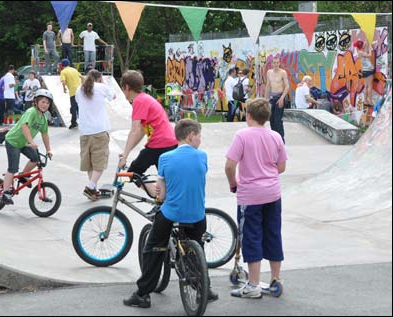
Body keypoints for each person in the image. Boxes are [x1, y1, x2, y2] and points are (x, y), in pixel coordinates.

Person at [123, 119, 218, 309]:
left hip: (172, 213)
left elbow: (162, 193)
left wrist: (159, 194)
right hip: (197, 215)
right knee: (197, 247)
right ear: (191, 135)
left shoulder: (165, 158)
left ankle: (142, 294)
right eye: (199, 135)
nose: (200, 139)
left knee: (153, 249)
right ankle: (204, 288)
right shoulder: (202, 156)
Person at [225, 98, 288, 299]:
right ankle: (275, 279)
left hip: (250, 195)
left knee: (251, 236)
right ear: (267, 116)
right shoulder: (276, 136)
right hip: (272, 193)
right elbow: (281, 167)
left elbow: (229, 164)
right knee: (273, 233)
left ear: (248, 115)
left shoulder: (242, 135)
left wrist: (233, 183)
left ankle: (253, 284)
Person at [118, 70, 178, 197]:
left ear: (127, 87)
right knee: (165, 180)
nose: (124, 94)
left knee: (134, 172)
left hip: (159, 144)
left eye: (123, 90)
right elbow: (140, 131)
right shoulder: (145, 98)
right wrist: (126, 152)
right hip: (168, 142)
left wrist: (124, 158)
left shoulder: (138, 101)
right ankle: (163, 201)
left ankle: (160, 200)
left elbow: (134, 131)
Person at [0, 89, 54, 205]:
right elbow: (25, 126)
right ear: (36, 102)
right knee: (13, 168)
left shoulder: (43, 118)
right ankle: (5, 193)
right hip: (13, 141)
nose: (45, 105)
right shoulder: (31, 112)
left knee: (36, 158)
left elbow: (45, 134)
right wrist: (31, 142)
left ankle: (23, 176)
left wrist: (49, 149)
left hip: (24, 143)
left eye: (47, 103)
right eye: (43, 102)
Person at [75, 69, 115, 200]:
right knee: (99, 162)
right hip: (99, 131)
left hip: (85, 132)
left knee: (90, 163)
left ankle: (94, 190)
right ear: (99, 78)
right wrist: (103, 83)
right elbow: (113, 96)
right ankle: (91, 186)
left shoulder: (79, 90)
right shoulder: (101, 87)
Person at [264, 57, 289, 143]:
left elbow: (287, 86)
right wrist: (265, 99)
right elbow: (267, 86)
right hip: (272, 98)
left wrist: (282, 98)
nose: (276, 64)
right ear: (272, 63)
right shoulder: (269, 72)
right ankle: (274, 138)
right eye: (274, 63)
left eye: (277, 63)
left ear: (279, 63)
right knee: (271, 119)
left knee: (278, 119)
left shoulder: (283, 73)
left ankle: (281, 140)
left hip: (280, 96)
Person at [60, 59, 82, 129]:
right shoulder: (74, 69)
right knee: (79, 106)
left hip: (73, 92)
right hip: (80, 91)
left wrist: (64, 88)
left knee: (73, 107)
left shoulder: (63, 72)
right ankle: (82, 121)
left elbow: (63, 81)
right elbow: (82, 77)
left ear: (62, 65)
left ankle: (73, 123)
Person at [354, 40, 375, 107]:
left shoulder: (359, 51)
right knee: (370, 86)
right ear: (361, 46)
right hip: (368, 70)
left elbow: (364, 45)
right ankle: (370, 101)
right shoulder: (361, 53)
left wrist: (367, 40)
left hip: (365, 70)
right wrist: (370, 48)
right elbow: (370, 55)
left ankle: (365, 101)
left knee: (366, 86)